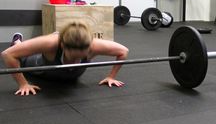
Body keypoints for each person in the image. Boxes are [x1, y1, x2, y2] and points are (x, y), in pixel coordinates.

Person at [1, 21, 129, 96]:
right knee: (22, 56)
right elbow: (7, 55)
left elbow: (123, 51)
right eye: (73, 57)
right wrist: (23, 84)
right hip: (40, 67)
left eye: (81, 57)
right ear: (63, 45)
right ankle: (17, 42)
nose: (75, 61)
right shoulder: (52, 43)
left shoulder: (93, 45)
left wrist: (111, 76)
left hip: (66, 78)